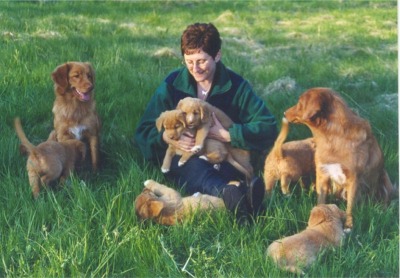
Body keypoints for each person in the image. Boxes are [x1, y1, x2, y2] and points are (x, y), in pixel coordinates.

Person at [135, 23, 277, 223]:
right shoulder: (172, 83)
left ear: (217, 56)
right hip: (187, 160)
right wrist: (166, 137)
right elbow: (143, 131)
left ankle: (234, 196)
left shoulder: (236, 86)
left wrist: (228, 135)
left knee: (222, 165)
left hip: (223, 154)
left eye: (202, 61)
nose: (195, 68)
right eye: (189, 61)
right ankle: (238, 195)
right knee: (191, 167)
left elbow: (268, 126)